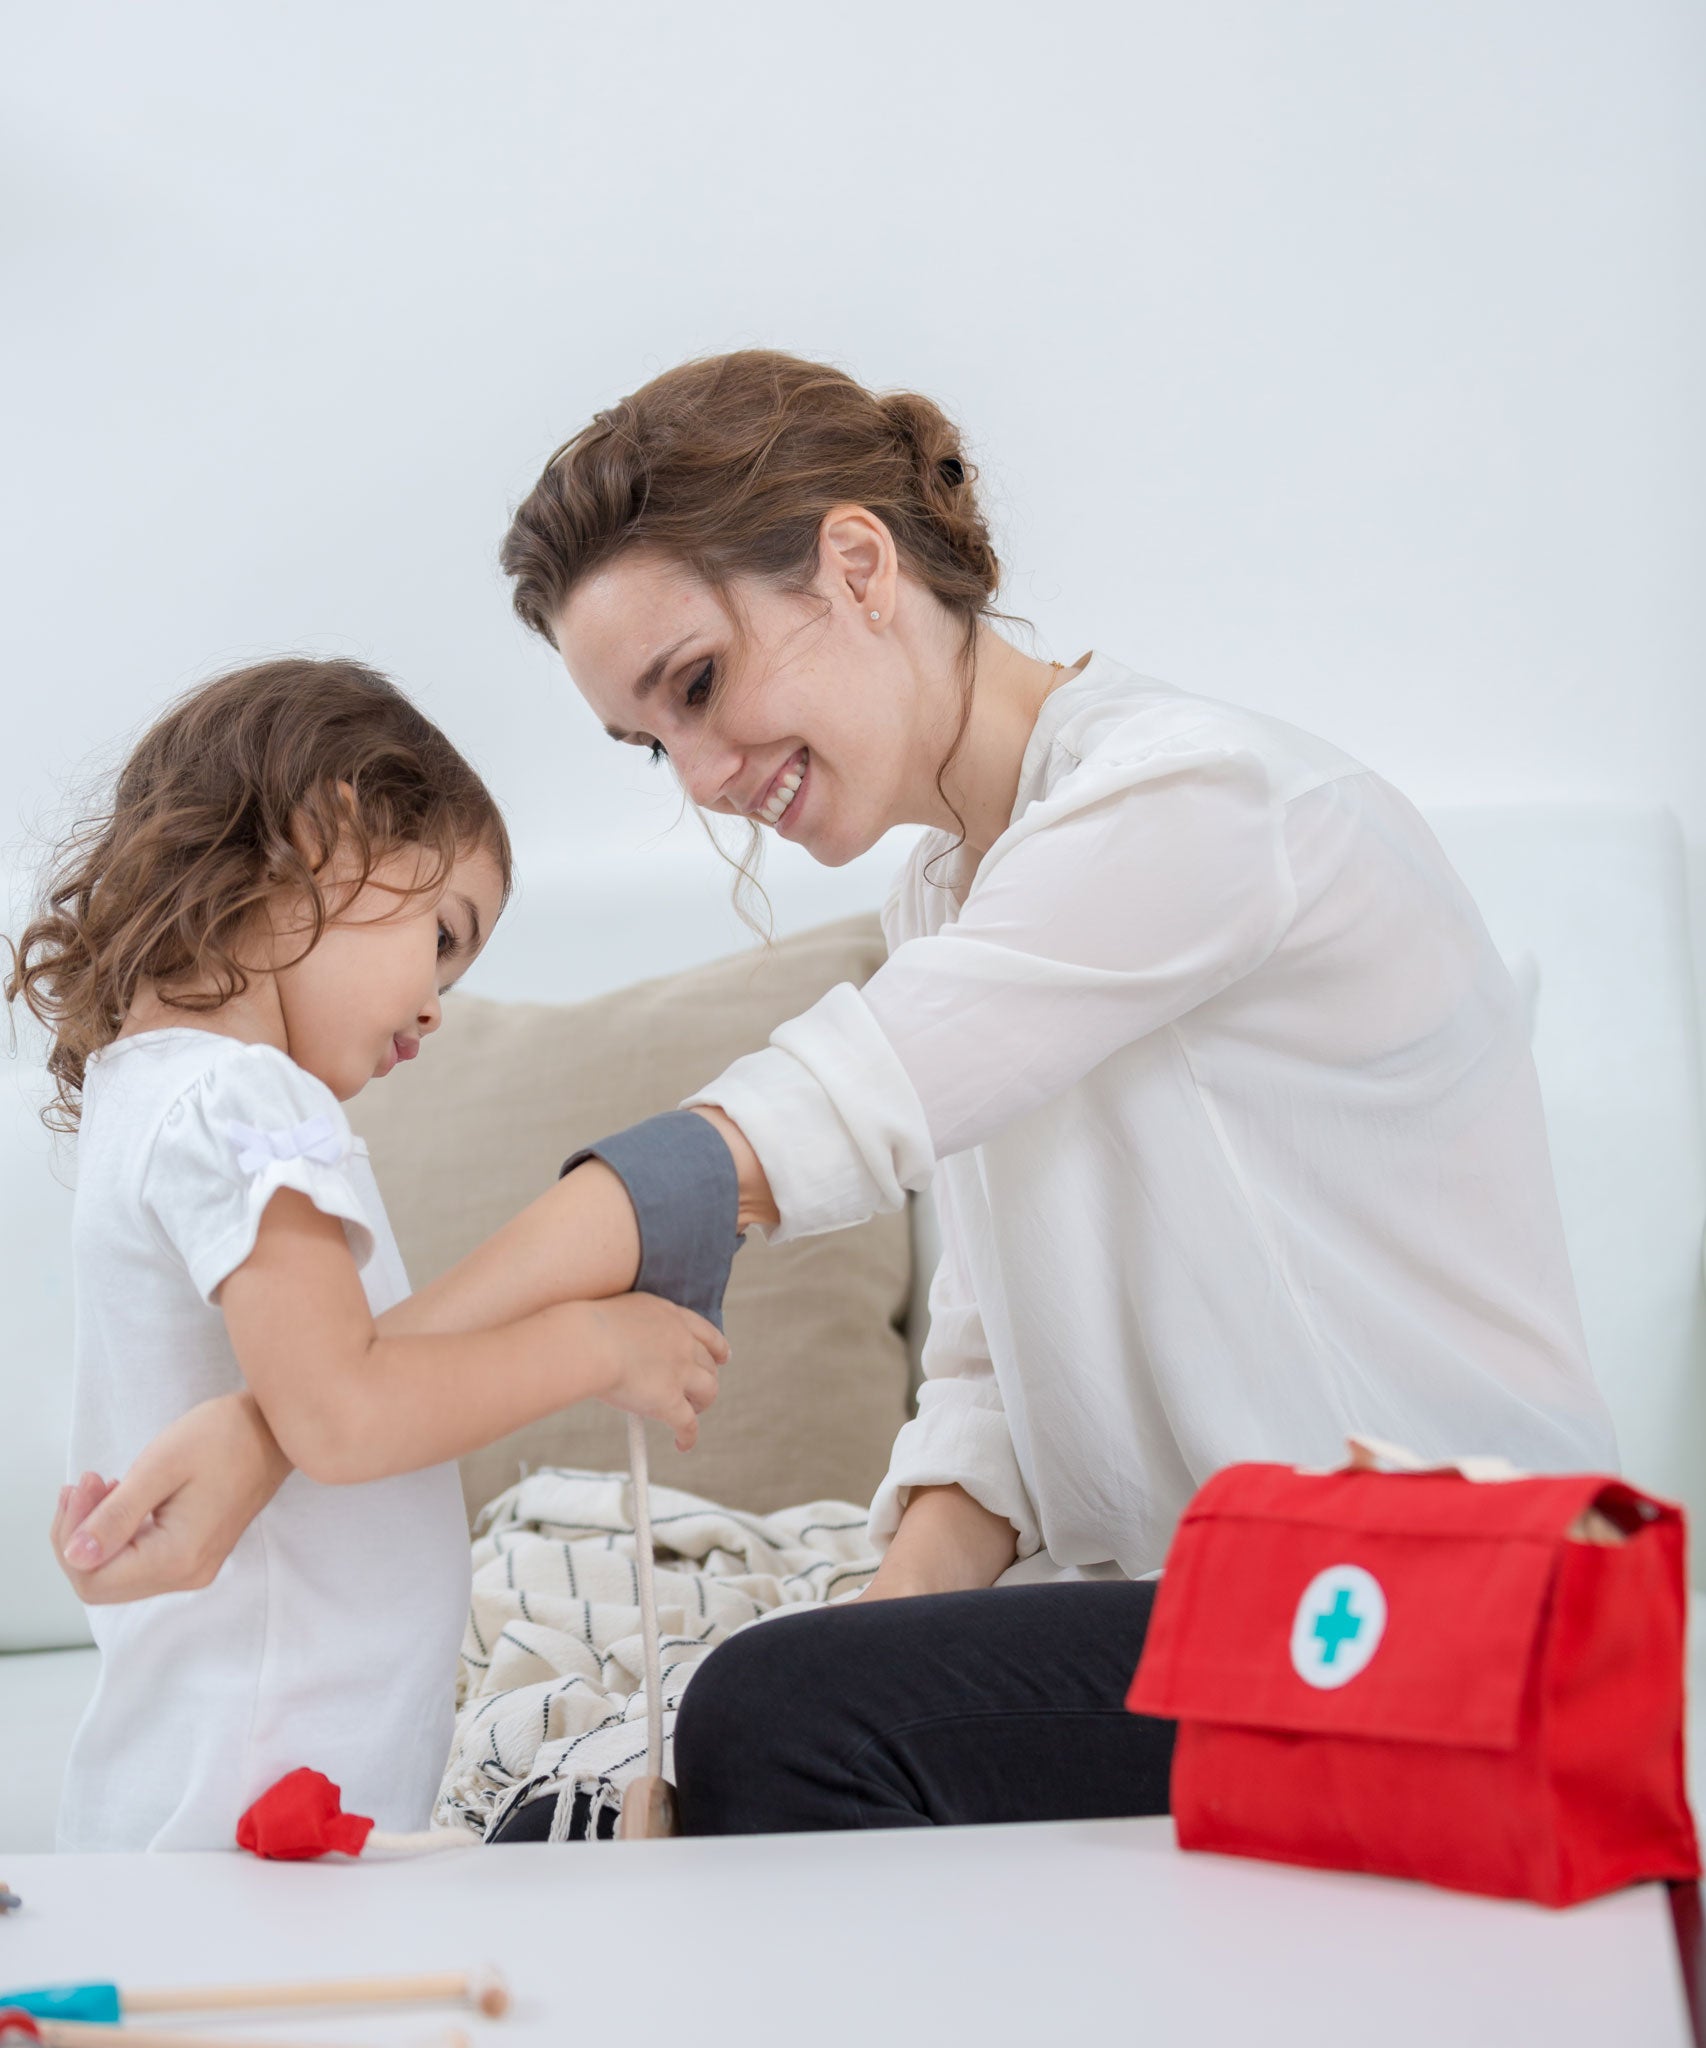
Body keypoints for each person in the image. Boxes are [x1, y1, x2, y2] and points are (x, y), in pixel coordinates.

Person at [53, 352, 1618, 1837]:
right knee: (687, 1749)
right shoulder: (950, 900)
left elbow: (781, 1132)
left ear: (857, 566)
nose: (700, 775)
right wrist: (871, 1641)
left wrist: (283, 1423)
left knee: (770, 1725)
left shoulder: (1192, 805)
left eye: (699, 681)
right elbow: (999, 1385)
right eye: (647, 739)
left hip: (1435, 1607)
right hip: (1224, 1609)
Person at [9, 658, 726, 1850]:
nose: (439, 1003)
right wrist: (593, 1338)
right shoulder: (245, 1098)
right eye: (441, 935)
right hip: (265, 1778)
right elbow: (341, 1413)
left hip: (236, 1767)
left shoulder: (161, 1095)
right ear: (324, 830)